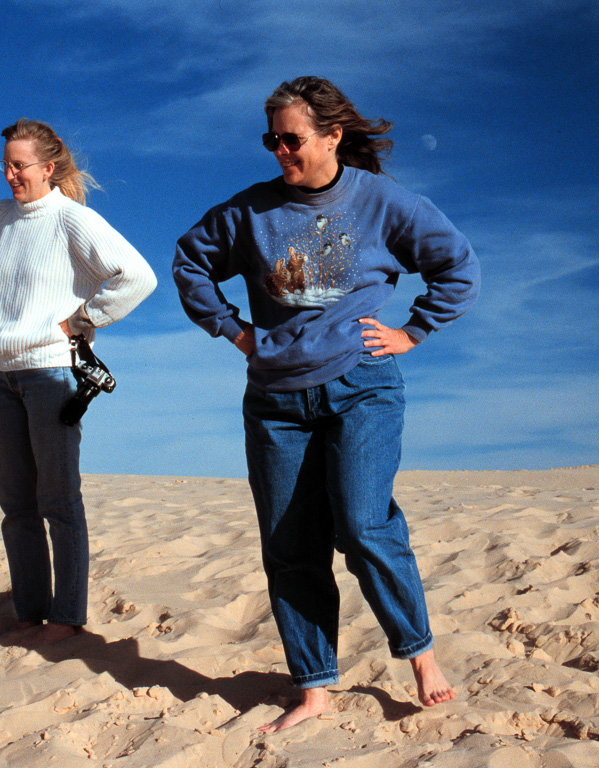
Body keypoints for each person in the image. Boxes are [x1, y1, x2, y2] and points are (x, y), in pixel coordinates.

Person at [173, 76, 479, 732]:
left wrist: (413, 331)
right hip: (275, 400)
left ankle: (419, 654)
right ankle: (313, 686)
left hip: (360, 386)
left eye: (293, 139)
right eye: (271, 140)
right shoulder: (249, 212)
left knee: (364, 525)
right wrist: (233, 329)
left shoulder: (381, 202)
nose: (281, 152)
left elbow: (457, 265)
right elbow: (190, 263)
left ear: (332, 135)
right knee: (290, 547)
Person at [0, 118, 157, 647]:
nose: (11, 175)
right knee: (15, 504)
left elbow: (136, 276)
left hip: (51, 373)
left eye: (19, 166)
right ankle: (28, 611)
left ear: (48, 168)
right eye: (5, 165)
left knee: (58, 499)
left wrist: (80, 321)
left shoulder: (72, 219)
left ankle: (67, 617)